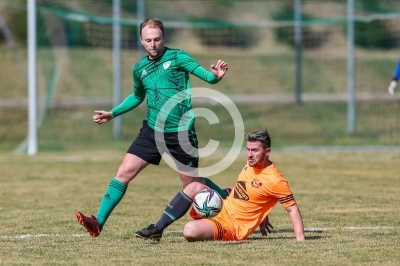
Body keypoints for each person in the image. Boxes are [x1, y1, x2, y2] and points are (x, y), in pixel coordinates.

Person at [76, 18, 230, 237]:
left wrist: (215, 77)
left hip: (181, 134)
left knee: (193, 186)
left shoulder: (177, 57)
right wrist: (112, 113)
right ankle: (97, 221)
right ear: (141, 41)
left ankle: (229, 198)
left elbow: (206, 75)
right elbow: (137, 96)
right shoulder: (140, 69)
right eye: (148, 40)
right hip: (151, 131)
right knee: (123, 172)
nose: (153, 44)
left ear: (164, 38)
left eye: (157, 39)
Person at [135, 129, 305, 242]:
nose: (250, 154)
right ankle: (157, 228)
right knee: (194, 186)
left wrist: (300, 240)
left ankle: (205, 220)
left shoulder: (276, 180)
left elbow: (293, 209)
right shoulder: (251, 164)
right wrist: (262, 214)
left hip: (232, 226)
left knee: (189, 231)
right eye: (248, 149)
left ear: (267, 152)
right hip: (225, 206)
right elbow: (253, 192)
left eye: (255, 150)